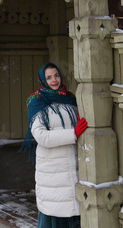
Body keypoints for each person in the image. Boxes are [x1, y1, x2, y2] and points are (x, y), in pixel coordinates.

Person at [22, 62, 87, 228]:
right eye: (49, 77)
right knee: (56, 212)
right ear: (42, 80)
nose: (54, 80)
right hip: (52, 170)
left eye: (56, 75)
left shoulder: (71, 99)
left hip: (73, 166)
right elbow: (41, 136)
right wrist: (73, 133)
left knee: (75, 213)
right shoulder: (37, 102)